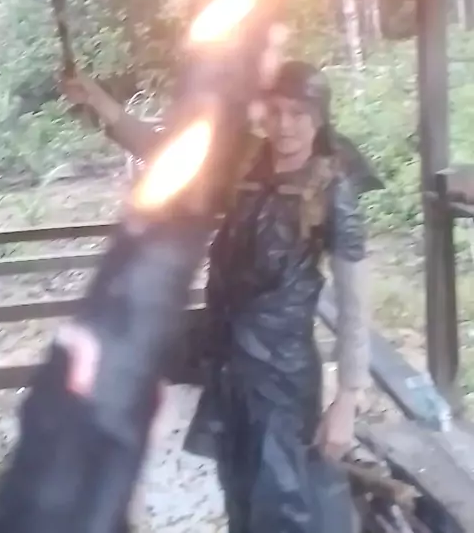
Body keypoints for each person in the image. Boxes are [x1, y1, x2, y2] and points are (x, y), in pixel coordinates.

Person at [64, 58, 370, 533]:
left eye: (299, 113)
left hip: (281, 381)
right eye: (277, 111)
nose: (285, 126)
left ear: (319, 116)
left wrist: (348, 398)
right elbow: (167, 154)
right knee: (240, 497)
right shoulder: (243, 163)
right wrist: (101, 103)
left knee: (281, 506)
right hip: (227, 365)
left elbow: (355, 302)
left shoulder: (332, 189)